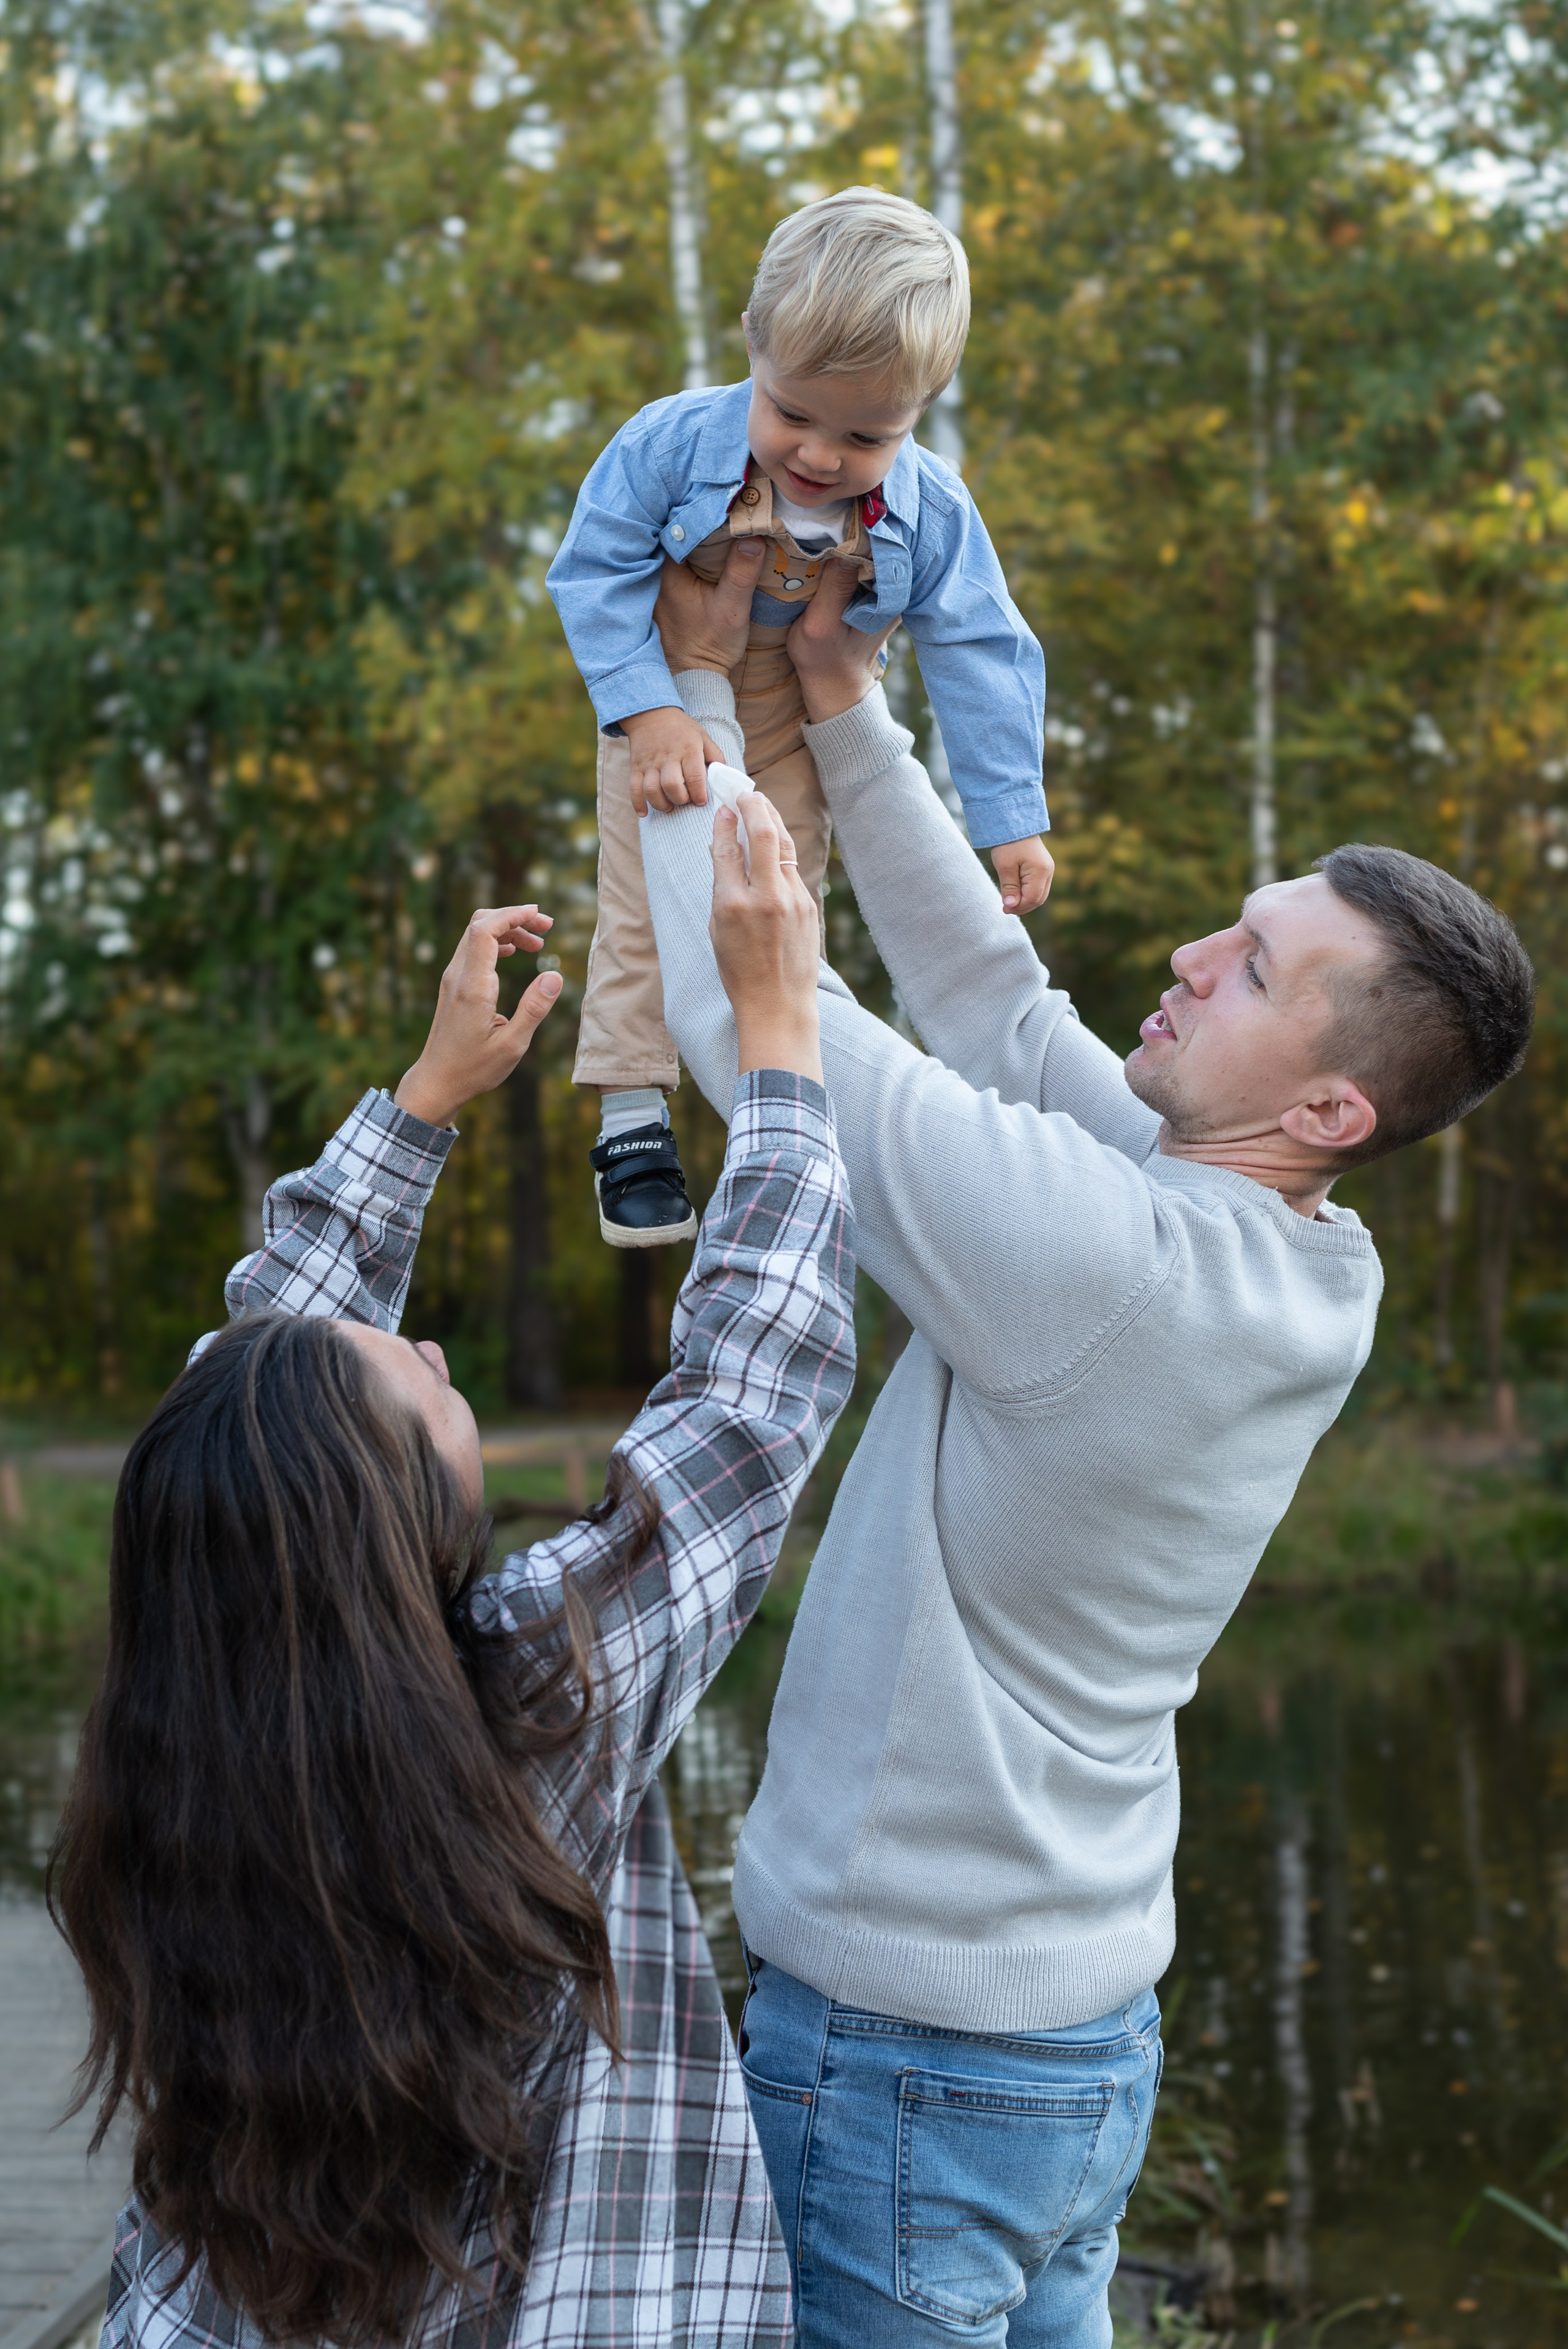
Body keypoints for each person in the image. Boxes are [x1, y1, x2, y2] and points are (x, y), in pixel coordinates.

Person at [634, 545, 1536, 2349]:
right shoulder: (1299, 1261)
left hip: (905, 2056)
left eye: (1254, 963)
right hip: (1072, 2040)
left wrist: (666, 718)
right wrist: (839, 712)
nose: (1194, 958)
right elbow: (993, 1004)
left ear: (1329, 1100)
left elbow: (759, 1029)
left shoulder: (1103, 1265)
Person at [51, 797, 856, 2349]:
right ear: (391, 1513)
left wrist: (420, 1108)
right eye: (422, 1381)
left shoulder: (177, 1774)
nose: (432, 1346)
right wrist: (778, 1034)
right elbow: (747, 1403)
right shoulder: (533, 1704)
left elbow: (248, 1407)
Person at [546, 186, 1051, 1248]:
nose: (820, 455)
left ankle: (772, 1124)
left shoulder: (936, 509)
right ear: (752, 348)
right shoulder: (669, 443)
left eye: (867, 433)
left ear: (924, 405)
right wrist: (645, 713)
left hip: (801, 712)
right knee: (648, 891)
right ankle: (634, 1108)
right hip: (670, 685)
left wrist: (1007, 811)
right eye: (792, 414)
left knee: (780, 902)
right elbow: (592, 572)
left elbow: (979, 645)